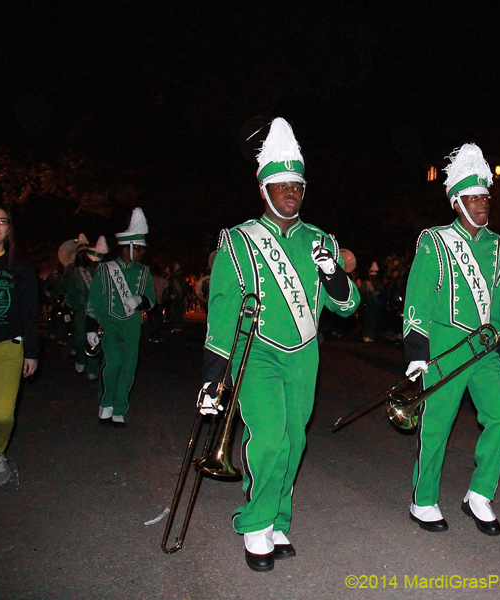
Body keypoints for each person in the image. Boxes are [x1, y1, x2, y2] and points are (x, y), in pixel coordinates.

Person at [199, 118, 359, 572]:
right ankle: (255, 522)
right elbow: (222, 313)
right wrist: (213, 378)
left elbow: (348, 307)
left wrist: (333, 273)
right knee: (268, 438)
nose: (292, 192)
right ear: (265, 188)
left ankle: (278, 518)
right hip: (257, 352)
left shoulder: (322, 240)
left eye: (298, 185)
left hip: (305, 354)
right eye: (282, 185)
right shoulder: (237, 240)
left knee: (293, 441)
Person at [402, 143, 500, 536]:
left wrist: (497, 347)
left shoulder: (499, 246)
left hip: (482, 349)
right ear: (457, 202)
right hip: (445, 347)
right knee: (437, 427)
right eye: (474, 197)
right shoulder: (434, 240)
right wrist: (417, 353)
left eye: (485, 196)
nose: (483, 203)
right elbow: (417, 298)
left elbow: (495, 302)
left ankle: (479, 494)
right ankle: (424, 499)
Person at [86, 208, 156, 428]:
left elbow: (152, 299)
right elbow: (94, 299)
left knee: (128, 367)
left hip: (132, 326)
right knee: (113, 363)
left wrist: (140, 299)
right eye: (141, 249)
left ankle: (119, 409)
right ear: (130, 247)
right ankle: (105, 404)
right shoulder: (106, 269)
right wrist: (90, 327)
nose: (144, 253)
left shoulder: (144, 272)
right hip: (110, 324)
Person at [0, 204, 38, 487]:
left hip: (7, 348)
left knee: (3, 413)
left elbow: (30, 312)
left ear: (8, 230)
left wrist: (32, 352)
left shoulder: (20, 269)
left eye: (2, 221)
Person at [62, 234, 106, 379]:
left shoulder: (100, 270)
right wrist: (67, 307)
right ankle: (81, 358)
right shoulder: (74, 271)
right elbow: (70, 290)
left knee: (96, 340)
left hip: (98, 311)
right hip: (82, 310)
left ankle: (92, 369)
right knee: (81, 338)